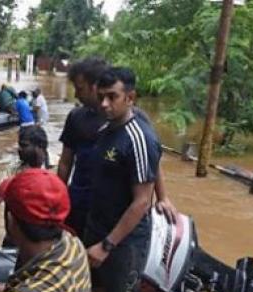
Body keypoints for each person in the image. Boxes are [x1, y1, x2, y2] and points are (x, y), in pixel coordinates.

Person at [58, 57, 176, 235]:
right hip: (81, 202)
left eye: (80, 89)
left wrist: (163, 197)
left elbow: (151, 161)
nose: (76, 94)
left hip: (115, 209)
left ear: (94, 86)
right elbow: (66, 162)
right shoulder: (77, 118)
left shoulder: (133, 120)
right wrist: (59, 197)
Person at [85, 67, 161, 292]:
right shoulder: (105, 131)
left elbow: (141, 202)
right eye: (101, 97)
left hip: (125, 240)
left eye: (112, 97)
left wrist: (107, 245)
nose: (104, 104)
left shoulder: (140, 139)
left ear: (130, 98)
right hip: (98, 227)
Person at [0, 125, 48, 234]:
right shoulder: (14, 168)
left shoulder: (54, 168)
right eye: (19, 145)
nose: (19, 149)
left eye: (24, 145)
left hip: (42, 234)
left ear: (39, 147)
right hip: (15, 234)